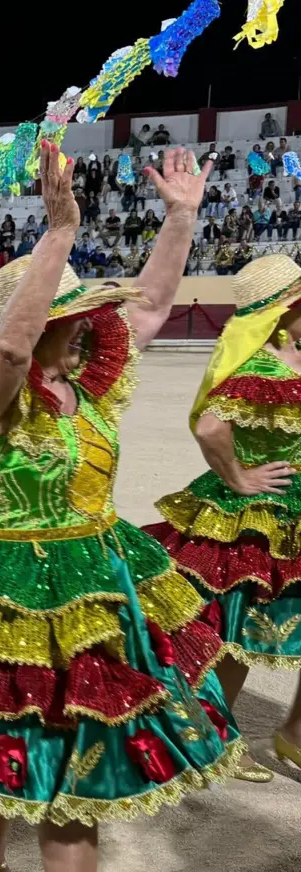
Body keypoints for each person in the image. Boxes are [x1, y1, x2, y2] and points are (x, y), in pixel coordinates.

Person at [0, 144, 241, 872]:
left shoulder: (89, 390)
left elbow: (155, 306)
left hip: (100, 579)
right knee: (67, 765)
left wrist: (181, 217)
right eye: (66, 317)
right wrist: (58, 232)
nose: (85, 328)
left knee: (34, 735)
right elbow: (7, 344)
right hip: (18, 588)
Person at [144, 254, 301, 782]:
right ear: (281, 312)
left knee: (273, 629)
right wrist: (238, 476)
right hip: (256, 516)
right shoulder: (260, 366)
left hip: (291, 512)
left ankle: (294, 733)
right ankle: (217, 736)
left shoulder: (289, 356)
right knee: (238, 633)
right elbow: (211, 427)